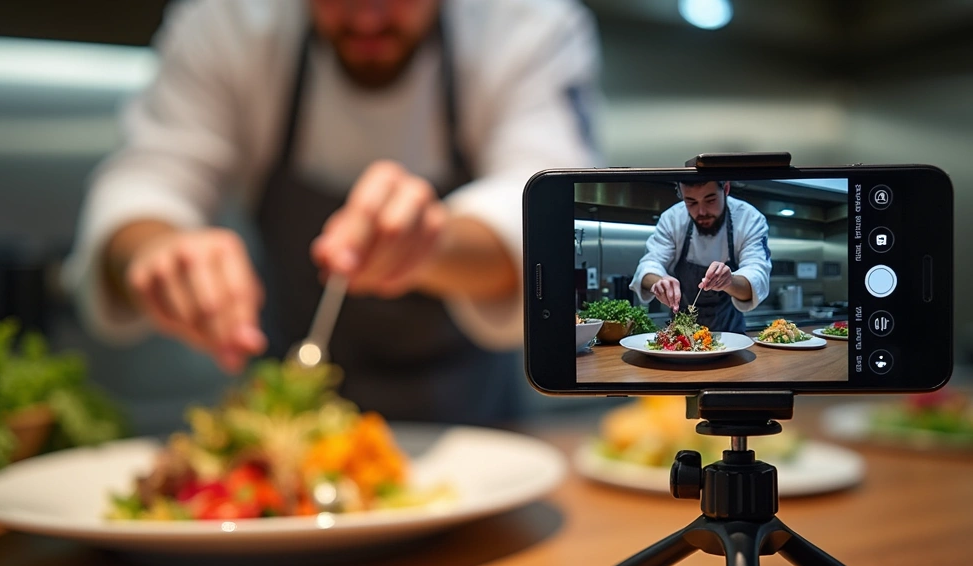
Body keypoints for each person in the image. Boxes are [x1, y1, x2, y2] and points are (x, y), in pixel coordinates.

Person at [63, 0, 601, 425]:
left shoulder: (525, 24)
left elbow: (549, 213)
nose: (367, 18)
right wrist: (157, 250)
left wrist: (431, 243)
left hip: (479, 419)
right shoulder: (227, 23)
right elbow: (148, 179)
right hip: (285, 413)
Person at [630, 180, 771, 333]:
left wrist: (729, 281)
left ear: (726, 189)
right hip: (680, 334)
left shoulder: (749, 219)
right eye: (691, 202)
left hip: (731, 333)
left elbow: (756, 275)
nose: (702, 212)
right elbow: (649, 265)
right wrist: (660, 282)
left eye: (710, 200)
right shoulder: (672, 219)